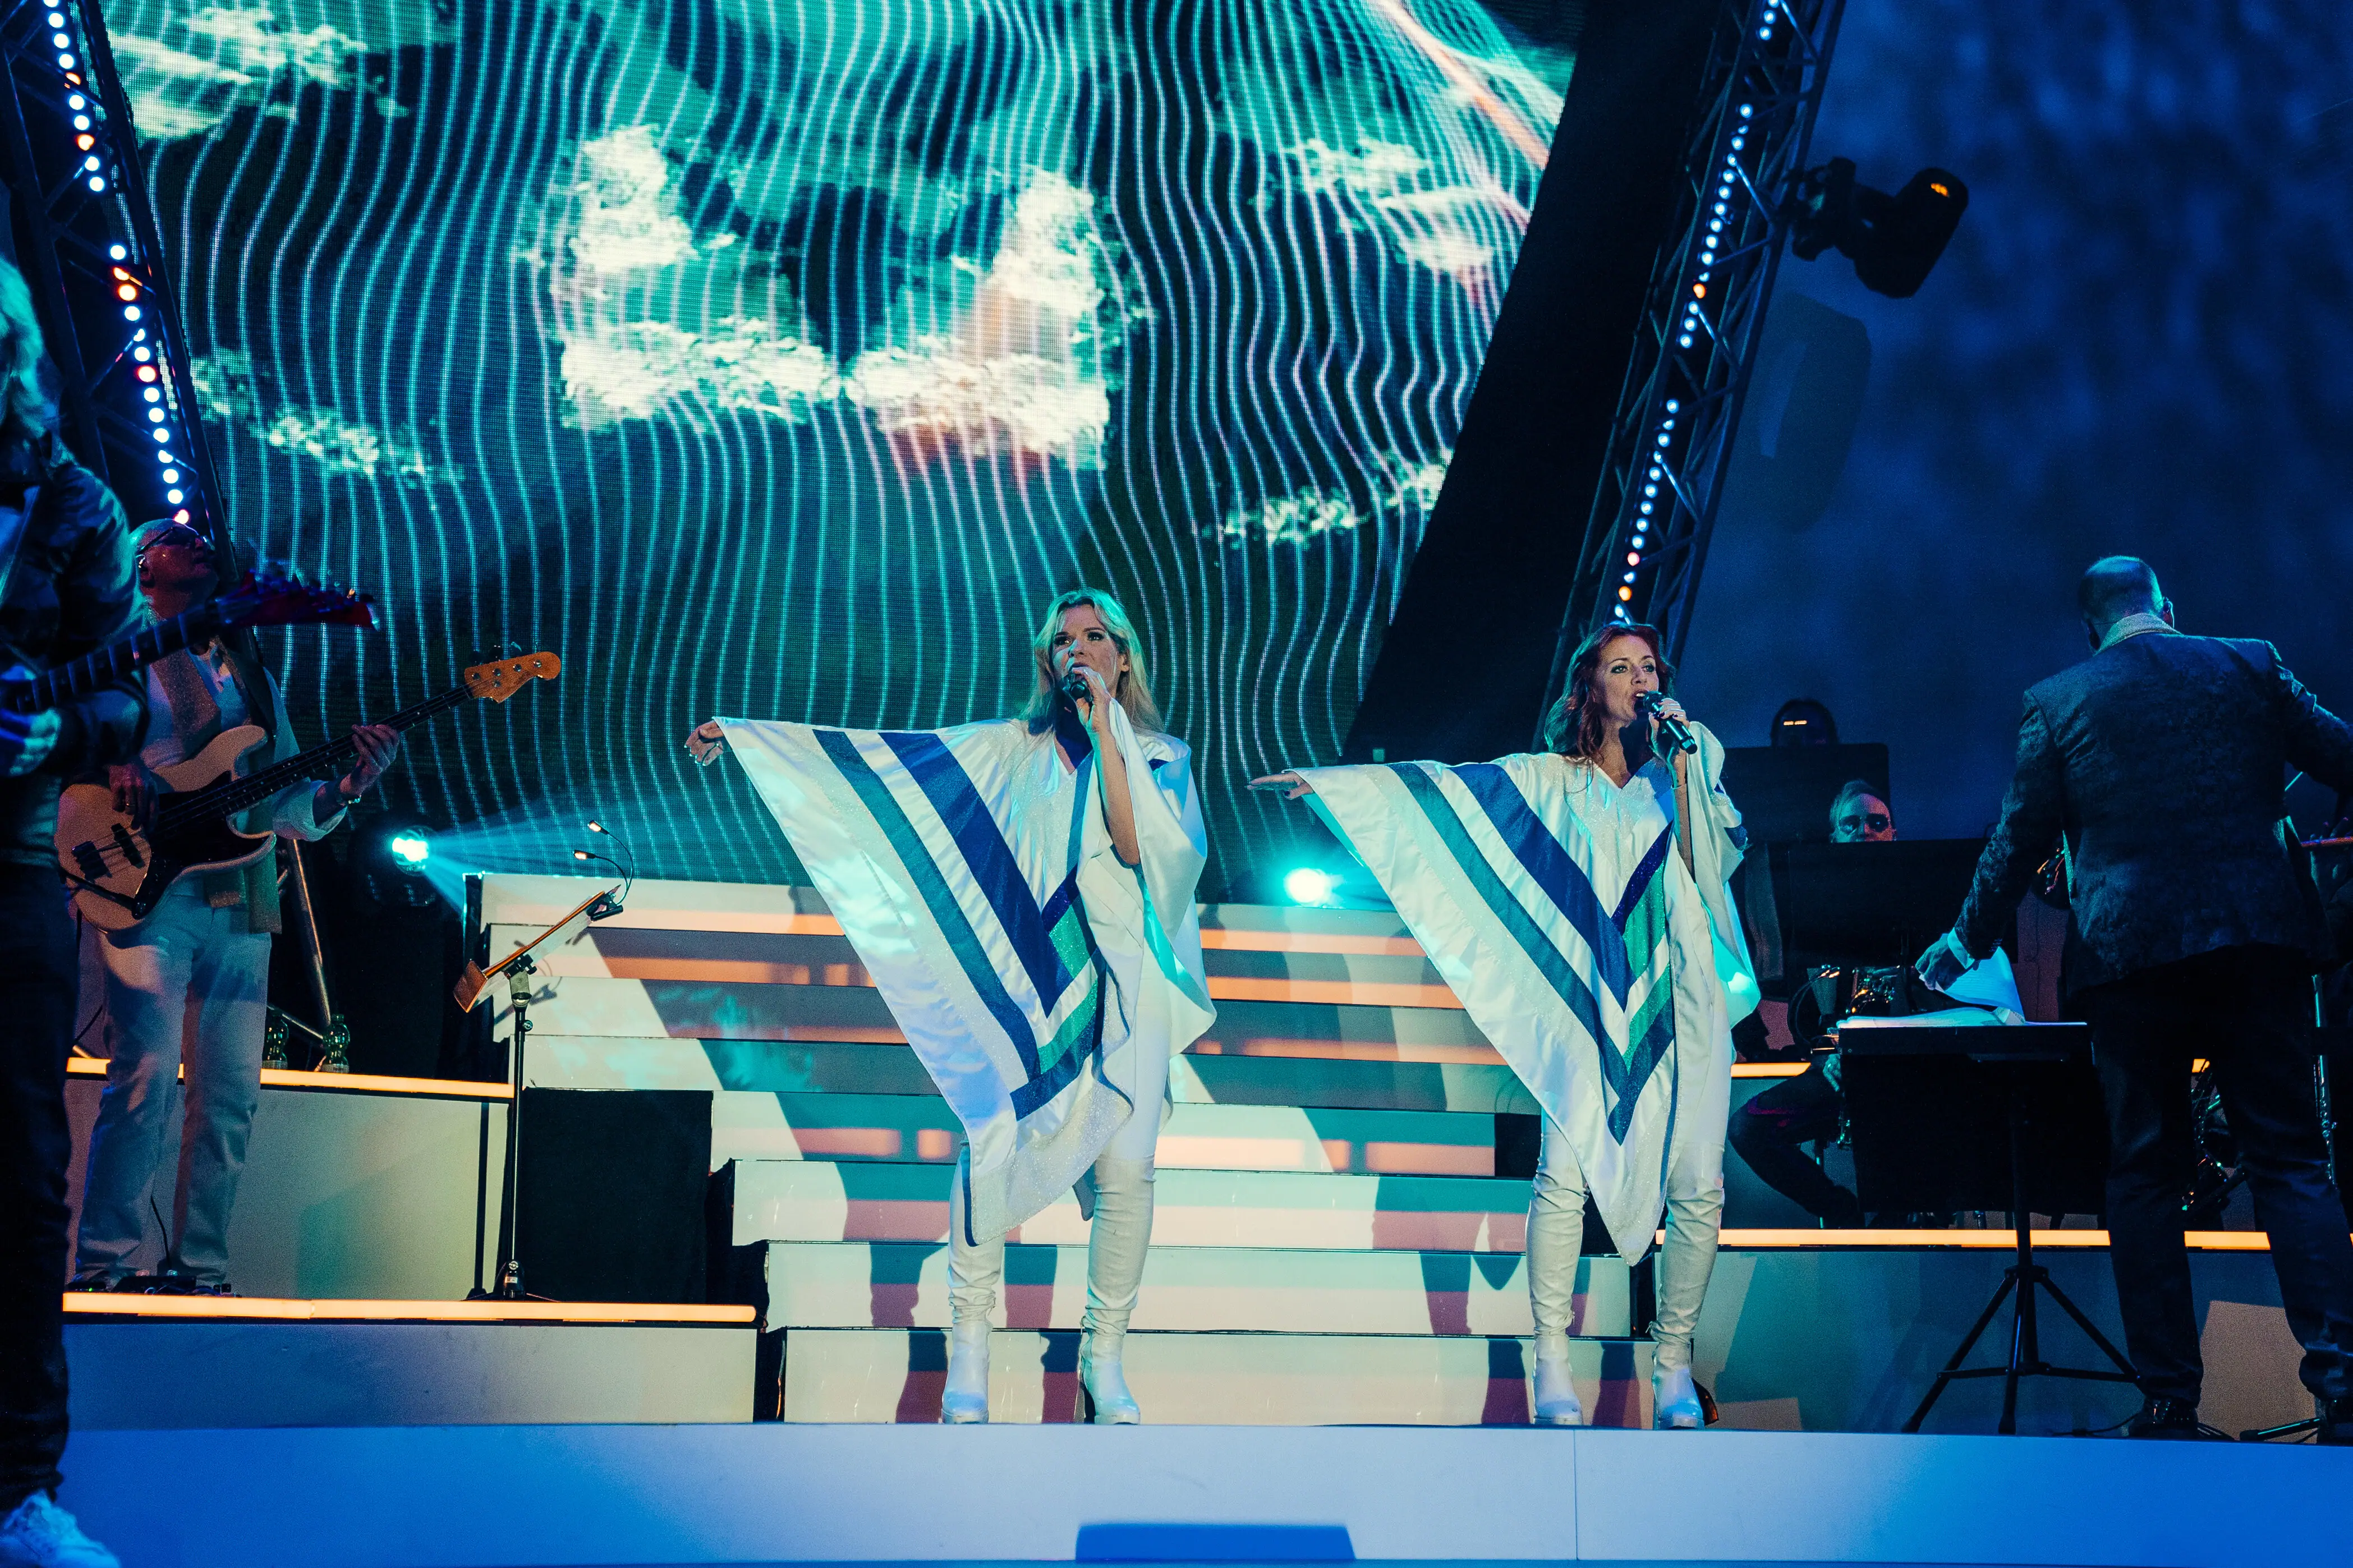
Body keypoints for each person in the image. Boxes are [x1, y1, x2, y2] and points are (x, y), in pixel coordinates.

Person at [686, 588, 1214, 1423]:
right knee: (994, 1138)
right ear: (1047, 662)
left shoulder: (1162, 755)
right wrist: (757, 739)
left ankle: (1102, 1357)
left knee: (1127, 1169)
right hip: (1028, 973)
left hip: (1129, 984)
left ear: (1123, 654)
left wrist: (1109, 726)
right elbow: (892, 762)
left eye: (1094, 637)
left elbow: (1133, 842)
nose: (1077, 650)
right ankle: (968, 1344)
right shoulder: (1011, 749)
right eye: (1062, 640)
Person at [1254, 623, 1755, 1428]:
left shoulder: (1686, 765)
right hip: (1588, 1004)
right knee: (1564, 1171)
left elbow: (1717, 861)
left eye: (1648, 666)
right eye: (1619, 666)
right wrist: (1337, 788)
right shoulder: (1549, 781)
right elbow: (1449, 792)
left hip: (1684, 1001)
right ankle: (1548, 1358)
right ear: (1588, 686)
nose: (1638, 677)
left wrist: (1690, 761)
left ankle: (1672, 1366)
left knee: (1697, 1184)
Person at [1918, 556, 2353, 1442]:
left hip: (2129, 960)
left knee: (2145, 1175)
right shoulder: (2249, 662)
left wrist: (1963, 939)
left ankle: (2167, 1403)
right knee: (2290, 1164)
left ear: (2090, 627)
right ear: (2166, 604)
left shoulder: (2059, 697)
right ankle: (2343, 1390)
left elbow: (2015, 840)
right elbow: (2342, 755)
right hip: (2257, 943)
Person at [66, 522, 399, 1295]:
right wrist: (112, 762)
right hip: (146, 890)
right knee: (145, 1077)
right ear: (142, 562)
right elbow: (66, 737)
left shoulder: (245, 663)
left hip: (240, 893)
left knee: (227, 1098)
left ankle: (203, 1268)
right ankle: (106, 1263)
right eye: (180, 537)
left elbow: (283, 796)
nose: (202, 542)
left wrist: (347, 786)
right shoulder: (115, 645)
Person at [0, 256, 138, 1567]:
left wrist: (63, 718)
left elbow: (128, 703)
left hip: (6, 866)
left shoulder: (70, 503)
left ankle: (19, 1491)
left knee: (24, 1174)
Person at [1727, 783, 1900, 1227]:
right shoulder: (1814, 903)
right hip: (1835, 1067)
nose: (1865, 831)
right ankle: (1842, 1210)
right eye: (1852, 823)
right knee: (1747, 1129)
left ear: (1893, 834)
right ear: (1835, 837)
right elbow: (1807, 1009)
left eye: (1876, 823)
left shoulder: (1915, 901)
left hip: (1905, 1066)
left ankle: (1901, 1223)